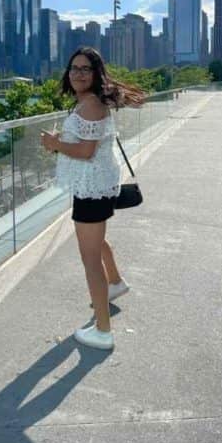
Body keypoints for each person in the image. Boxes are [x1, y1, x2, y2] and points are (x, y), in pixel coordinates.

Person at [42, 46, 145, 351]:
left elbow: (86, 152)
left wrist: (54, 143)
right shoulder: (89, 102)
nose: (77, 74)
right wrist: (60, 142)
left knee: (89, 259)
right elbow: (86, 145)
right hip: (95, 185)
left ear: (96, 73)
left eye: (85, 69)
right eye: (74, 68)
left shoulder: (91, 105)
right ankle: (115, 283)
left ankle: (102, 331)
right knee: (95, 240)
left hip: (92, 189)